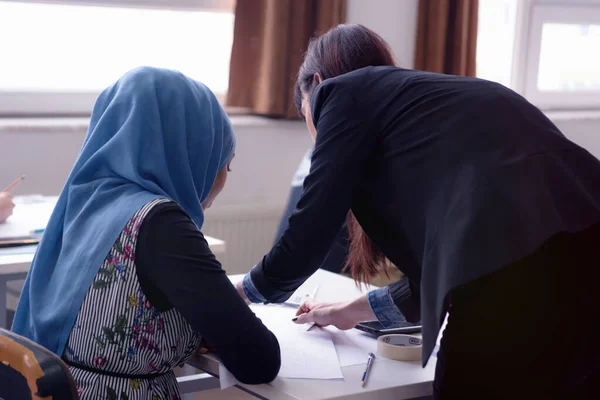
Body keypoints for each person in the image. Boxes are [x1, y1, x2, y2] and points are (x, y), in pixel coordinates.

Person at [235, 24, 600, 399]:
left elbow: (307, 235)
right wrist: (349, 311)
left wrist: (235, 297)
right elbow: (438, 272)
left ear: (316, 84)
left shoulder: (339, 94)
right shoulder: (429, 107)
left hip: (513, 269)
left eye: (308, 118)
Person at [12, 67, 280, 399]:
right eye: (224, 161)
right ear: (188, 151)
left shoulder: (84, 199)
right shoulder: (162, 224)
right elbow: (258, 359)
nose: (224, 175)